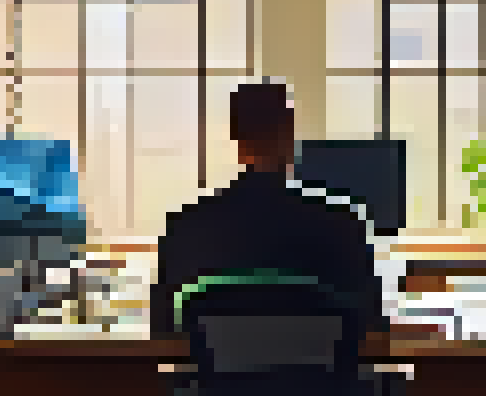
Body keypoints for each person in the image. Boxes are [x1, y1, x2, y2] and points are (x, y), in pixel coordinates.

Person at [151, 80, 386, 337]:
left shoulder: (186, 228)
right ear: (290, 134)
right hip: (317, 378)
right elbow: (373, 329)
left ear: (235, 135)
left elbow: (163, 331)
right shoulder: (343, 225)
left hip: (218, 378)